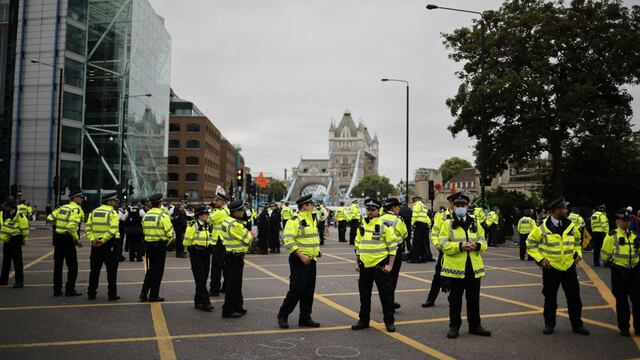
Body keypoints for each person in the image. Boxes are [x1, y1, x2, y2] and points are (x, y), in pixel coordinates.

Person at [527, 197, 589, 336]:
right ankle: (549, 324)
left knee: (574, 298)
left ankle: (577, 325)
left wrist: (578, 253)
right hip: (551, 268)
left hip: (569, 267)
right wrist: (540, 259)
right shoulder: (541, 227)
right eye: (564, 208)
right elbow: (530, 244)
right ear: (556, 211)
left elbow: (578, 242)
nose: (567, 210)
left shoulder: (571, 226)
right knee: (550, 299)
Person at [438, 193, 491, 339]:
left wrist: (477, 245)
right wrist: (460, 246)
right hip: (455, 269)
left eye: (463, 205)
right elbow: (442, 245)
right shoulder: (447, 224)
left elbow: (484, 243)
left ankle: (475, 326)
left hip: (473, 268)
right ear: (453, 207)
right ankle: (454, 326)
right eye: (458, 205)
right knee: (455, 300)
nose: (461, 208)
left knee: (473, 300)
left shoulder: (475, 223)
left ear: (468, 207)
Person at [351, 199, 399, 333]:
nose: (370, 212)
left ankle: (389, 321)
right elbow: (358, 246)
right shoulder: (362, 226)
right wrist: (357, 262)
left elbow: (393, 247)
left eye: (373, 210)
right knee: (364, 296)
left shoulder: (385, 225)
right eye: (369, 210)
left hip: (380, 266)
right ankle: (363, 320)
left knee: (386, 296)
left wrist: (390, 265)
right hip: (365, 266)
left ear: (379, 211)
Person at [277, 194, 321, 329]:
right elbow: (288, 240)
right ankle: (283, 315)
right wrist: (301, 256)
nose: (313, 206)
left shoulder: (312, 219)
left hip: (311, 259)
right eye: (311, 204)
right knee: (296, 290)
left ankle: (305, 317)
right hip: (299, 259)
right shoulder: (294, 220)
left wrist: (317, 250)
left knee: (308, 290)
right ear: (305, 206)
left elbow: (312, 238)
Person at [601, 208, 639, 337]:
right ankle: (624, 327)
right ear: (617, 221)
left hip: (634, 271)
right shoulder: (612, 236)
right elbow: (604, 256)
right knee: (622, 301)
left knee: (637, 300)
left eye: (628, 220)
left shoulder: (634, 235)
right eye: (624, 220)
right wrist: (612, 263)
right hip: (619, 272)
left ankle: (638, 327)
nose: (626, 223)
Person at [48, 189, 84, 297]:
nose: (82, 199)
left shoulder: (63, 208)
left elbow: (50, 218)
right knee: (72, 265)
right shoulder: (76, 209)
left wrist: (59, 225)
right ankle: (70, 289)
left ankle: (57, 290)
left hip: (58, 238)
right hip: (68, 239)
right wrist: (76, 239)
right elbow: (72, 227)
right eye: (80, 197)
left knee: (58, 266)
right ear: (75, 198)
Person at [139, 193, 174, 302]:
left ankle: (143, 293)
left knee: (150, 270)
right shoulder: (163, 216)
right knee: (158, 272)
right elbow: (170, 235)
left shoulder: (146, 215)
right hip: (159, 246)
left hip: (149, 245)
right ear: (160, 203)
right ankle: (153, 295)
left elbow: (144, 231)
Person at [86, 193, 121, 301]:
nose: (115, 203)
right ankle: (112, 294)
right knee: (111, 271)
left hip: (95, 245)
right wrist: (103, 241)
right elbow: (113, 229)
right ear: (109, 201)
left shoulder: (94, 212)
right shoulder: (112, 213)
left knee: (94, 271)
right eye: (113, 201)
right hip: (109, 244)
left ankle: (91, 293)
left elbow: (88, 228)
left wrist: (93, 240)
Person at [221, 201, 253, 318]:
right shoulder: (235, 224)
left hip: (231, 255)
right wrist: (250, 234)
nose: (243, 212)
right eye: (241, 210)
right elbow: (248, 239)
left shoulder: (227, 220)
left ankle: (238, 306)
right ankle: (228, 310)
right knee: (233, 284)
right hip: (235, 257)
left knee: (235, 283)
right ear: (235, 212)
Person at [422, 195, 454, 308]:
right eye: (455, 204)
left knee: (456, 277)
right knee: (438, 276)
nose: (457, 207)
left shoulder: (465, 217)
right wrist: (437, 244)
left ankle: (453, 299)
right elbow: (435, 232)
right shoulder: (442, 216)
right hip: (444, 251)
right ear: (450, 203)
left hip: (458, 251)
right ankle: (430, 299)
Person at [184, 206, 215, 312]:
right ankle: (206, 302)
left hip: (206, 253)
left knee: (204, 277)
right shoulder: (193, 225)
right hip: (196, 253)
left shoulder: (208, 225)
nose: (207, 215)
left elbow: (211, 238)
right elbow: (186, 240)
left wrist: (211, 246)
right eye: (205, 214)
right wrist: (191, 248)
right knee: (200, 278)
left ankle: (198, 301)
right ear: (199, 215)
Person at [381, 198, 408, 311]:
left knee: (383, 279)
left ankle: (387, 302)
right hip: (395, 252)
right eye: (398, 207)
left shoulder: (379, 219)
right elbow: (405, 234)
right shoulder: (397, 220)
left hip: (382, 252)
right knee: (393, 278)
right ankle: (389, 303)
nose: (399, 209)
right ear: (393, 207)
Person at [0, 197, 29, 288]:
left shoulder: (19, 215)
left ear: (10, 206)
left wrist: (24, 239)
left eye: (6, 205)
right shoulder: (3, 213)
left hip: (16, 239)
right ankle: (3, 280)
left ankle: (19, 281)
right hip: (7, 239)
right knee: (6, 261)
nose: (4, 207)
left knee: (17, 261)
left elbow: (24, 228)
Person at [208, 192, 230, 296]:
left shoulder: (220, 212)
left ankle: (214, 289)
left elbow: (209, 219)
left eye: (217, 200)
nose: (215, 202)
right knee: (226, 266)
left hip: (218, 241)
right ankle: (225, 287)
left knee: (216, 267)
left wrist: (212, 211)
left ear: (223, 201)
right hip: (225, 241)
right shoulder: (226, 210)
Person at [410, 196, 434, 263]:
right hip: (424, 225)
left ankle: (415, 258)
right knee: (423, 242)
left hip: (418, 225)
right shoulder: (424, 206)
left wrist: (411, 224)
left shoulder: (416, 205)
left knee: (416, 242)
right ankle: (424, 258)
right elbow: (426, 217)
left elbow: (414, 215)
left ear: (414, 200)